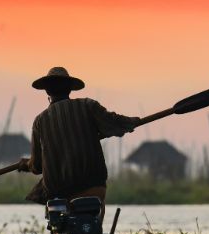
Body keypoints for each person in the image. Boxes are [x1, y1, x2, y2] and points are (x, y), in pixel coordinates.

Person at [16, 67, 140, 204]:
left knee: (55, 218)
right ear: (69, 89)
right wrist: (133, 122)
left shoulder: (40, 121)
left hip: (60, 194)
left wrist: (26, 164)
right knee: (96, 214)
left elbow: (37, 166)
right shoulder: (88, 106)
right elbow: (114, 123)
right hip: (94, 187)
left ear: (47, 91)